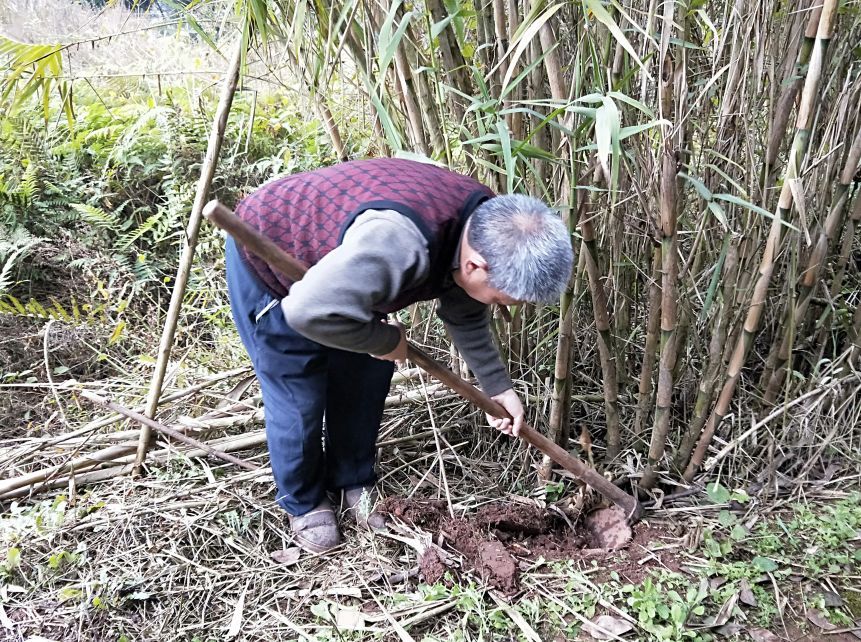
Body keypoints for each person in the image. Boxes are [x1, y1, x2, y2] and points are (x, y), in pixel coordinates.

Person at [224, 157, 573, 554]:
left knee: (366, 378)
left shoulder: (487, 227)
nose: (503, 305)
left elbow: (466, 306)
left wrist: (497, 386)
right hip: (275, 261)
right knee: (297, 393)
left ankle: (352, 478)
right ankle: (304, 502)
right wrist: (383, 340)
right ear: (477, 265)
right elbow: (306, 310)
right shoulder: (400, 243)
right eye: (503, 298)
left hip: (349, 272)